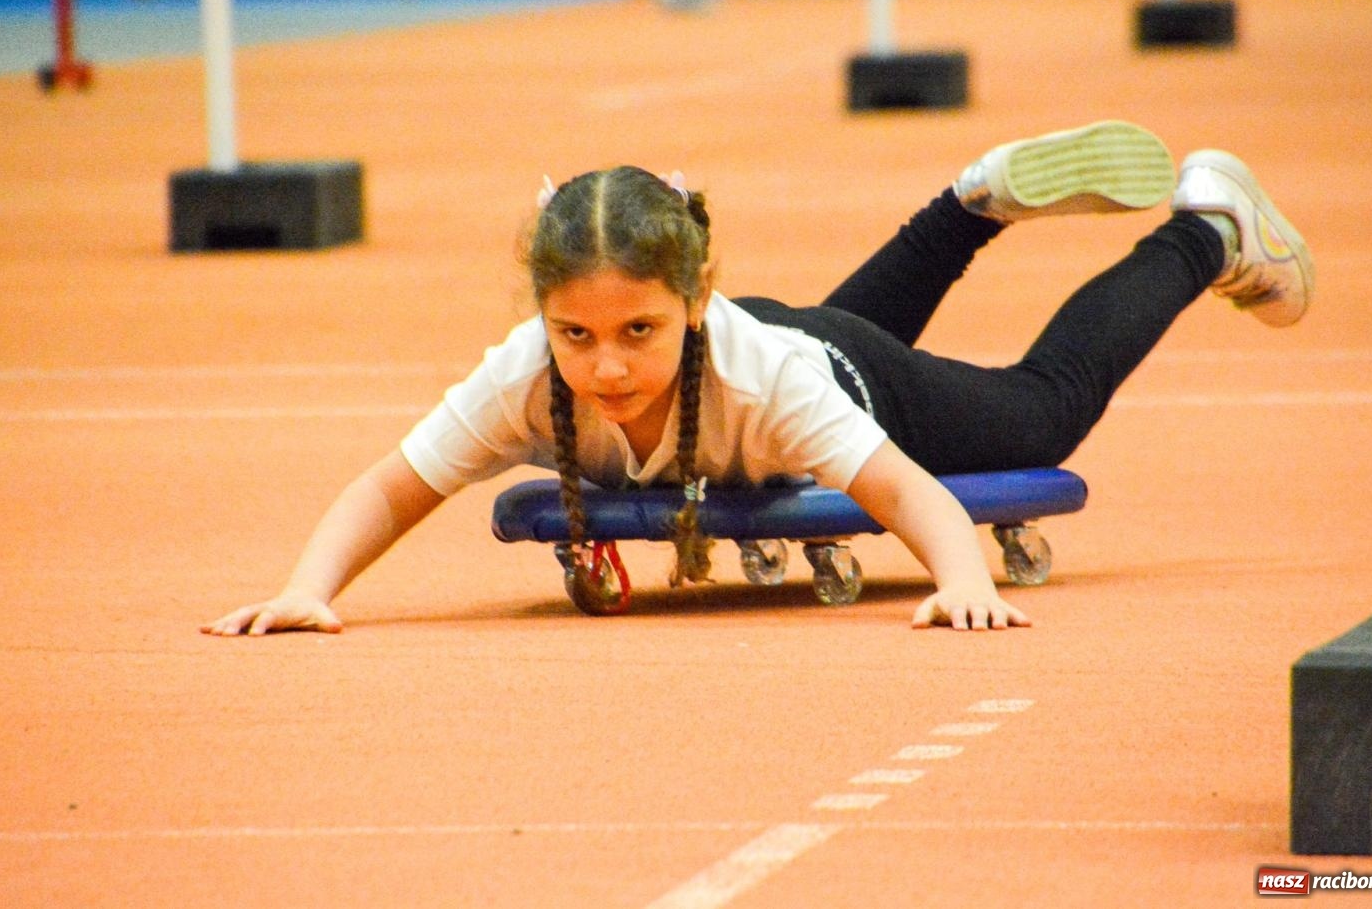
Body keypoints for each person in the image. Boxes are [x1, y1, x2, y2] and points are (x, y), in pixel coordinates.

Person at [202, 120, 1312, 636]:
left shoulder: (753, 370)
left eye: (637, 329)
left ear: (692, 299)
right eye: (574, 335)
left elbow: (907, 491)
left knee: (1043, 409)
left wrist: (959, 576)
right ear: (540, 318)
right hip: (790, 349)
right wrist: (312, 585)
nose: (606, 367)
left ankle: (1205, 230)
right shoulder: (527, 374)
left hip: (836, 375)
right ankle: (967, 203)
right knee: (819, 336)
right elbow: (390, 487)